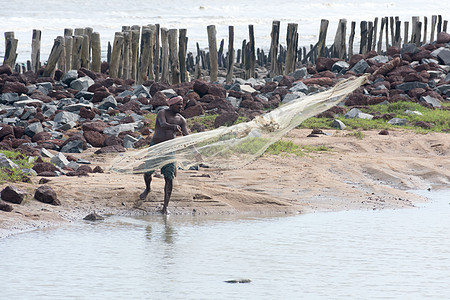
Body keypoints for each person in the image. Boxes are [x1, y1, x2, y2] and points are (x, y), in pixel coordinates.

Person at [139, 95, 188, 215]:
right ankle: (148, 188)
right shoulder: (162, 113)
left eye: (182, 104)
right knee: (147, 172)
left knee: (169, 178)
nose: (180, 107)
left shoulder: (181, 120)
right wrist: (173, 127)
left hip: (170, 150)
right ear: (171, 104)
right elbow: (162, 124)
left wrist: (195, 151)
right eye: (178, 104)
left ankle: (165, 207)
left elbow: (187, 136)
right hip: (156, 147)